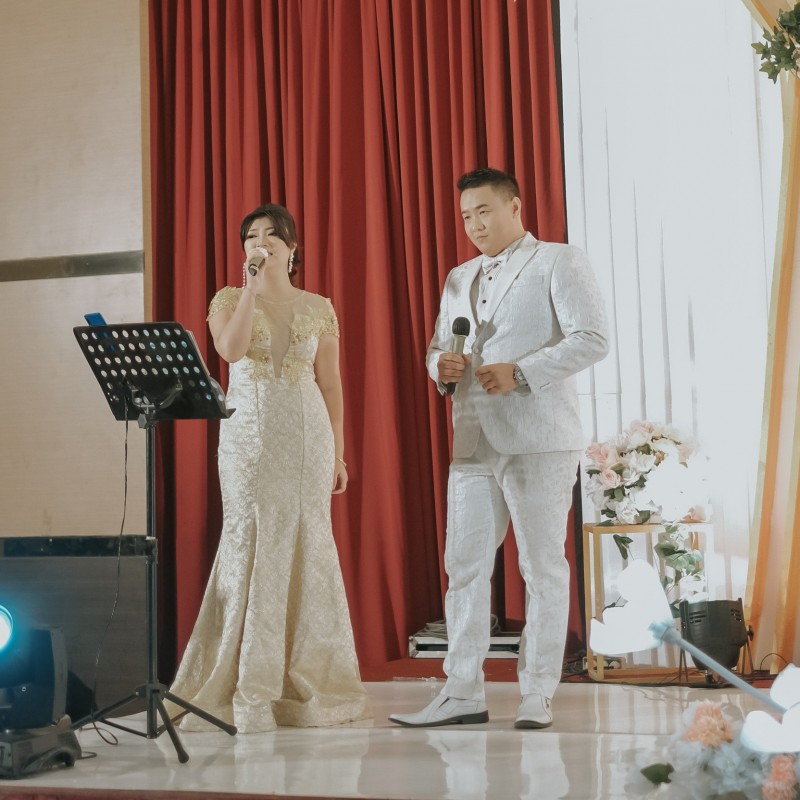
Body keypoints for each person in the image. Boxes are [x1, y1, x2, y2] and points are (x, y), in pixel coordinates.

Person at [389, 168, 608, 730]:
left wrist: (523, 371)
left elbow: (592, 338)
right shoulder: (458, 276)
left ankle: (537, 692)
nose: (474, 225)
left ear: (514, 206)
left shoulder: (559, 260)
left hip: (539, 439)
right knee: (462, 568)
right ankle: (462, 691)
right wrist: (440, 366)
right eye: (466, 216)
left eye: (484, 211)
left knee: (541, 567)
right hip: (472, 439)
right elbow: (439, 345)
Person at [168, 203, 370, 733]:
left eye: (272, 234)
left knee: (307, 538)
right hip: (249, 438)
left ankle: (305, 677)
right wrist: (250, 291)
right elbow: (231, 352)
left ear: (292, 246)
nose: (261, 242)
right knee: (249, 536)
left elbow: (331, 383)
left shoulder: (319, 306)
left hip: (307, 435)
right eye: (251, 236)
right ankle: (245, 678)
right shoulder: (228, 299)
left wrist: (338, 452)